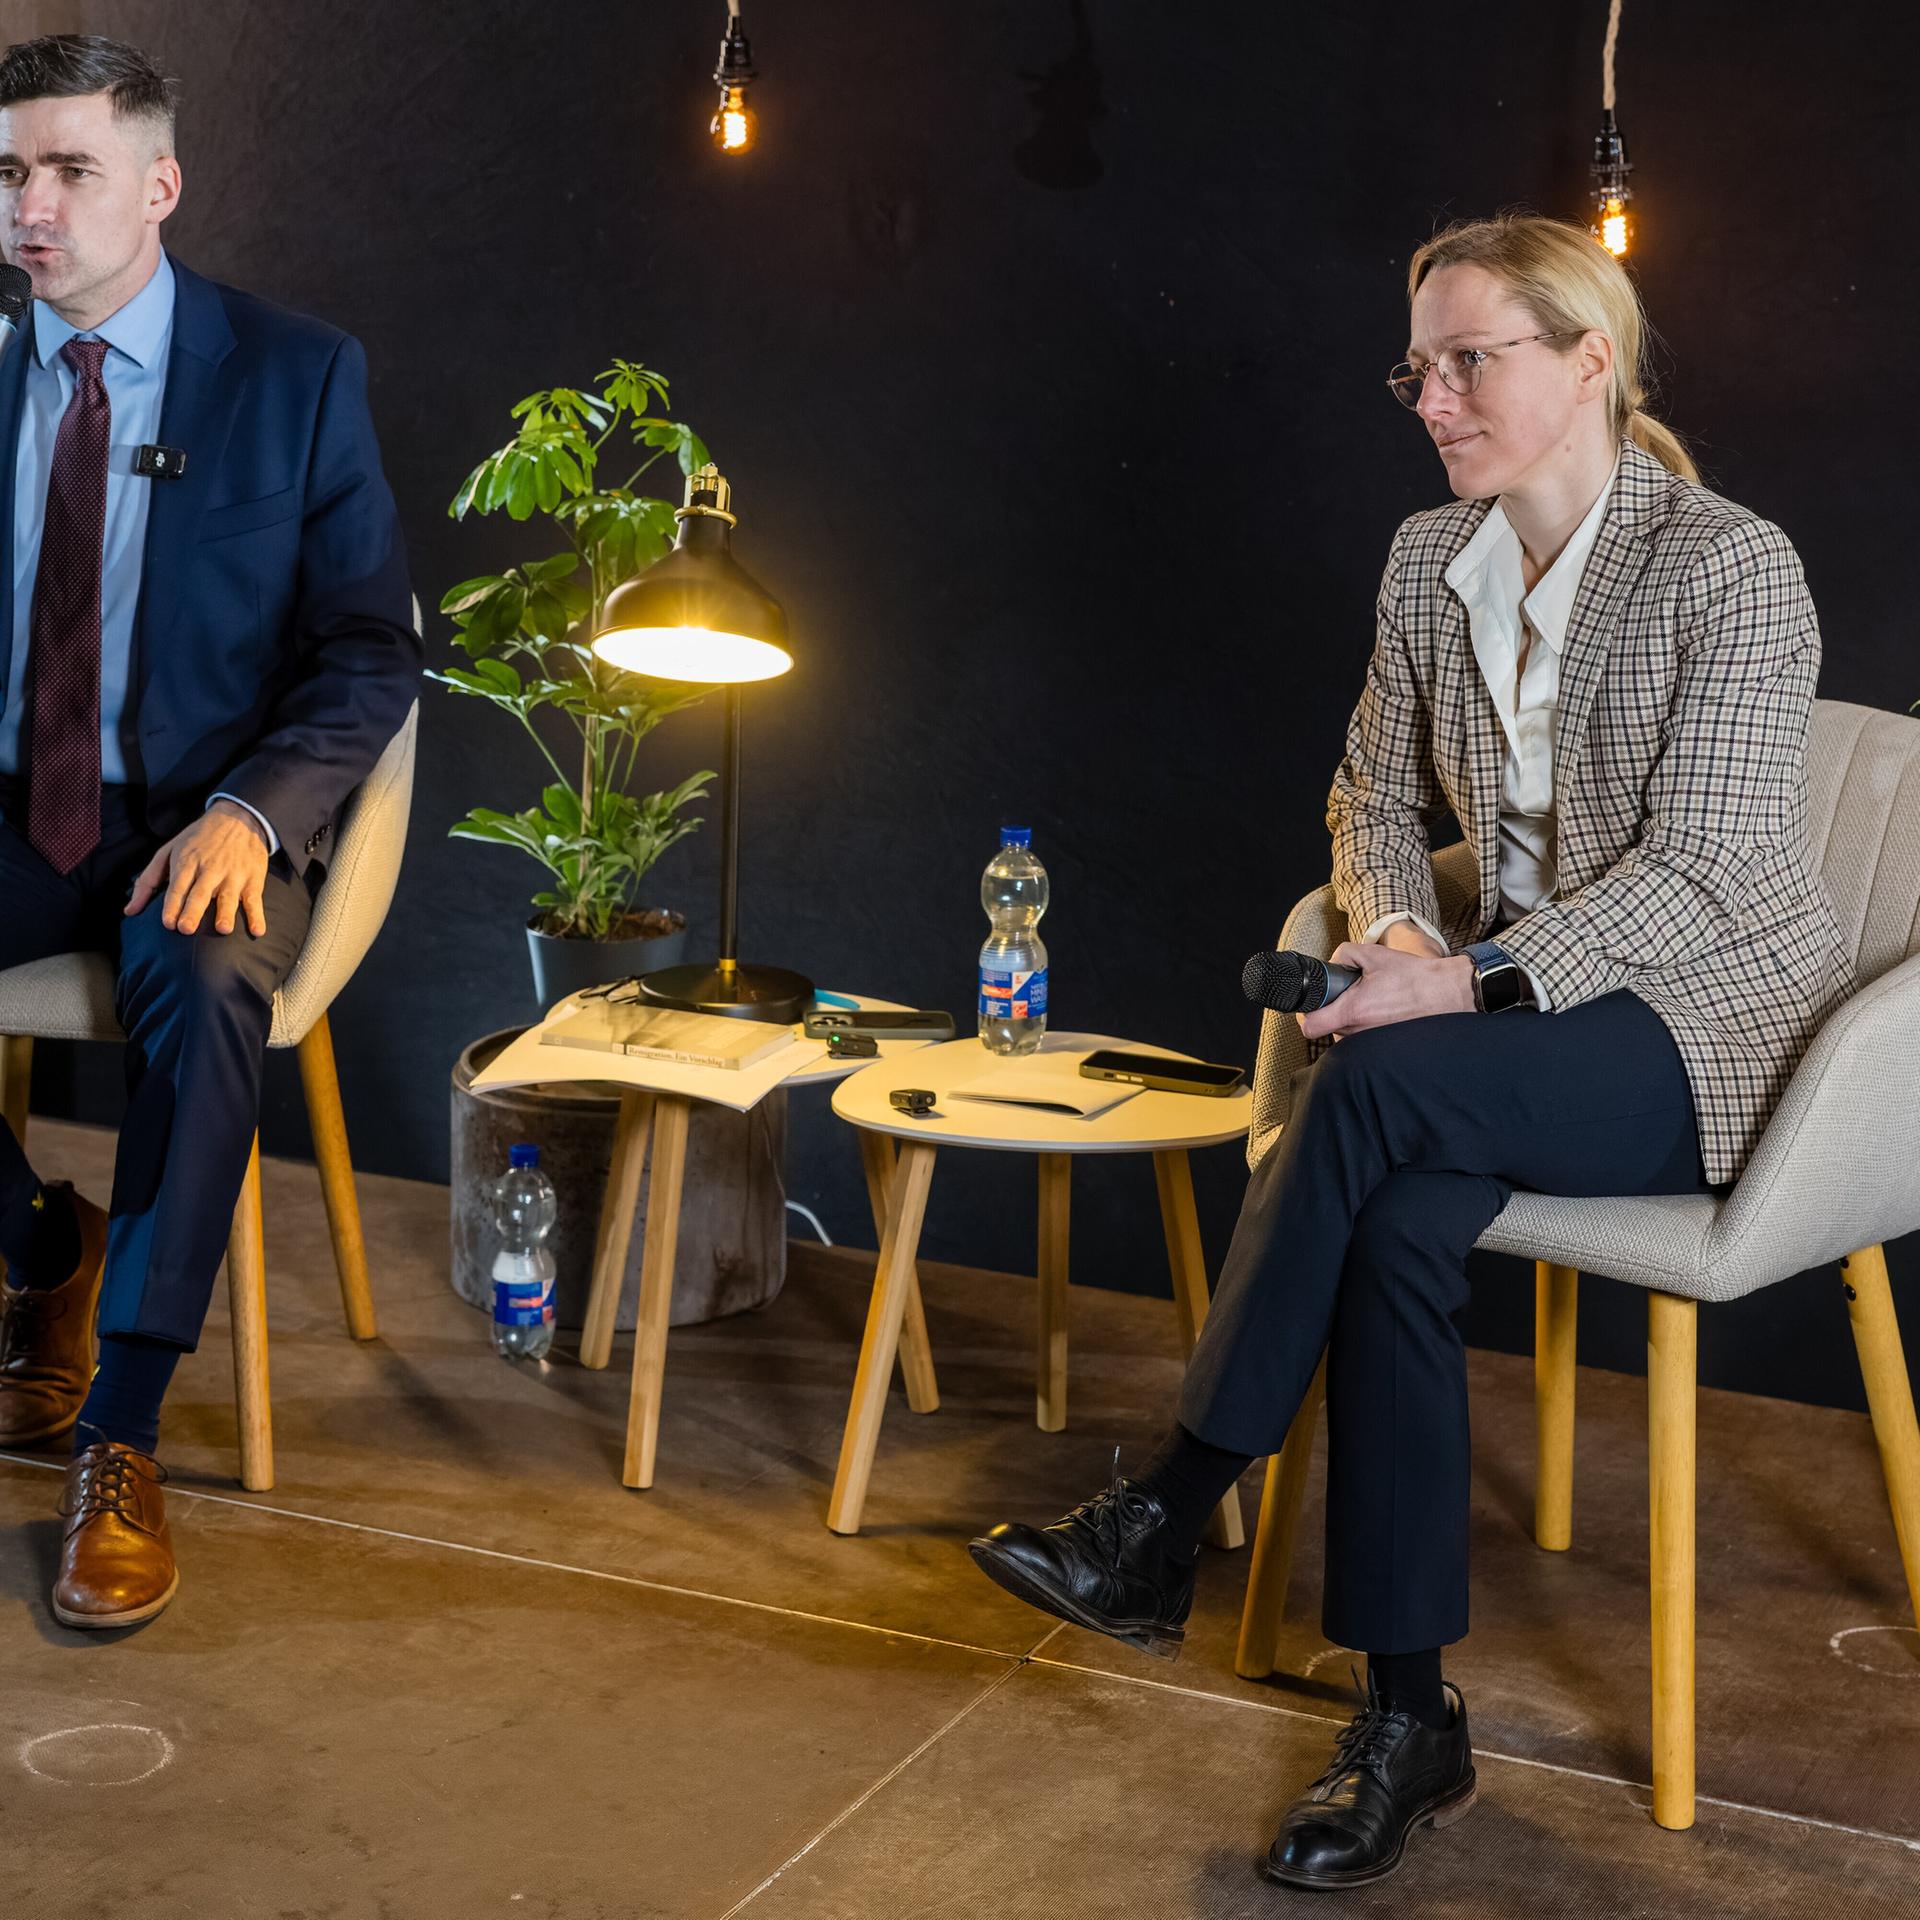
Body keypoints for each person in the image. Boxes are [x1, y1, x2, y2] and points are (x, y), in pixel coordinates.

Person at [968, 211, 1854, 1890]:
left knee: (1371, 1088)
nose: (1431, 399)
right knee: (1392, 1212)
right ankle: (1405, 1719)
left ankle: (1169, 1507)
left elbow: (1719, 864)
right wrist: (1395, 930)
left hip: (1706, 1027)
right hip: (1490, 1031)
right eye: (1418, 368)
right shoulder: (1423, 564)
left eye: (1470, 362)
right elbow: (1372, 794)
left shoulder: (1732, 565)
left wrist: (1477, 979)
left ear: (1589, 361)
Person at [0, 35, 417, 1628]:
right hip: (16, 812)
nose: (31, 208)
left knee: (208, 984)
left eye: (70, 171)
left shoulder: (294, 372)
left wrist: (256, 809)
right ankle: (47, 1239)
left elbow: (369, 649)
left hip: (204, 816)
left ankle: (118, 1433)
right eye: (10, 173)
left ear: (157, 186)